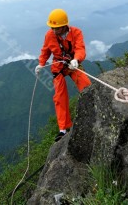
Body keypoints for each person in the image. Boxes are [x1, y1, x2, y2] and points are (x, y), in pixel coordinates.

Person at [35, 8, 91, 142]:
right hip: (59, 66)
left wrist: (76, 60)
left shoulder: (76, 32)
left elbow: (80, 48)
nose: (54, 31)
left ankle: (93, 110)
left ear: (64, 26)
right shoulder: (49, 35)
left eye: (57, 28)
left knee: (86, 86)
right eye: (52, 28)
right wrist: (41, 63)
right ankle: (63, 128)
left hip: (72, 64)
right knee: (59, 97)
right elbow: (46, 50)